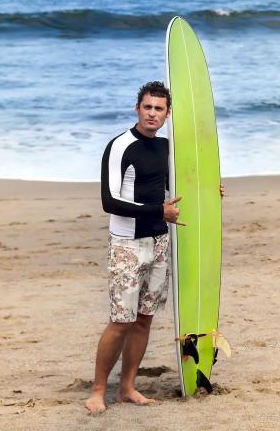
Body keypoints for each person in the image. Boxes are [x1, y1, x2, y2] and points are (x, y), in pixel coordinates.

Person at [85, 81, 224, 414]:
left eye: (158, 109)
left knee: (145, 318)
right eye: (147, 107)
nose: (152, 113)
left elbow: (179, 186)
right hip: (126, 245)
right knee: (121, 320)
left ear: (167, 113)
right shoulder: (120, 146)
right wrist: (157, 211)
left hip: (159, 242)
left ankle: (128, 387)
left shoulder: (165, 148)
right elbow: (109, 201)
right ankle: (98, 389)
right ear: (137, 108)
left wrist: (209, 190)